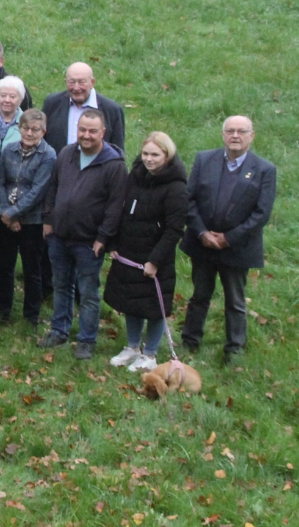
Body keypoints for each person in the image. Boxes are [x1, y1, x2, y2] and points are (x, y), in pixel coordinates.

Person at [180, 116, 276, 364]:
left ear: (251, 136)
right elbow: (189, 200)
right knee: (200, 295)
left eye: (241, 131)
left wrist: (229, 238)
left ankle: (234, 349)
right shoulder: (204, 160)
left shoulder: (264, 170)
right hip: (203, 243)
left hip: (238, 248)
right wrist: (202, 232)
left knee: (235, 300)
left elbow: (261, 213)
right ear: (223, 134)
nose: (235, 135)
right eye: (230, 131)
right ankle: (189, 342)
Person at [38, 110, 127, 359]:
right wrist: (48, 219)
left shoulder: (114, 165)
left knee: (88, 292)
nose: (86, 136)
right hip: (59, 235)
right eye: (82, 130)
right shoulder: (67, 153)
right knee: (61, 286)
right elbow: (53, 187)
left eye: (92, 131)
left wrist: (103, 237)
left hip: (89, 242)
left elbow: (115, 206)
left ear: (103, 133)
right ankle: (59, 330)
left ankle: (87, 339)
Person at [103, 132, 188, 372]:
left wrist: (155, 261)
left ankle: (150, 353)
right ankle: (132, 346)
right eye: (146, 154)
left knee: (154, 307)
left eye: (155, 155)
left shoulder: (176, 187)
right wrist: (114, 243)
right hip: (129, 251)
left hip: (154, 257)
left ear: (167, 155)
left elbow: (174, 230)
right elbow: (122, 208)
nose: (149, 159)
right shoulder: (136, 176)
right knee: (131, 301)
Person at [0, 109, 55, 327]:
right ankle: (3, 310)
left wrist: (13, 213)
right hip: (6, 217)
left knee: (32, 268)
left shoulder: (48, 155)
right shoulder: (9, 150)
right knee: (5, 266)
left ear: (43, 131)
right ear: (19, 128)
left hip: (32, 221)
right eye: (25, 128)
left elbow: (38, 191)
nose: (29, 133)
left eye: (35, 130)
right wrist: (4, 211)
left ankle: (31, 315)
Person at [41, 62, 126, 153]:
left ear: (92, 82)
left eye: (82, 82)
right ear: (65, 82)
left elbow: (117, 152)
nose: (76, 88)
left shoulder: (112, 110)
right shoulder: (52, 103)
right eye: (72, 82)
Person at [0, 77, 28, 145]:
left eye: (12, 96)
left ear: (20, 100)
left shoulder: (27, 122)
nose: (7, 100)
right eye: (3, 95)